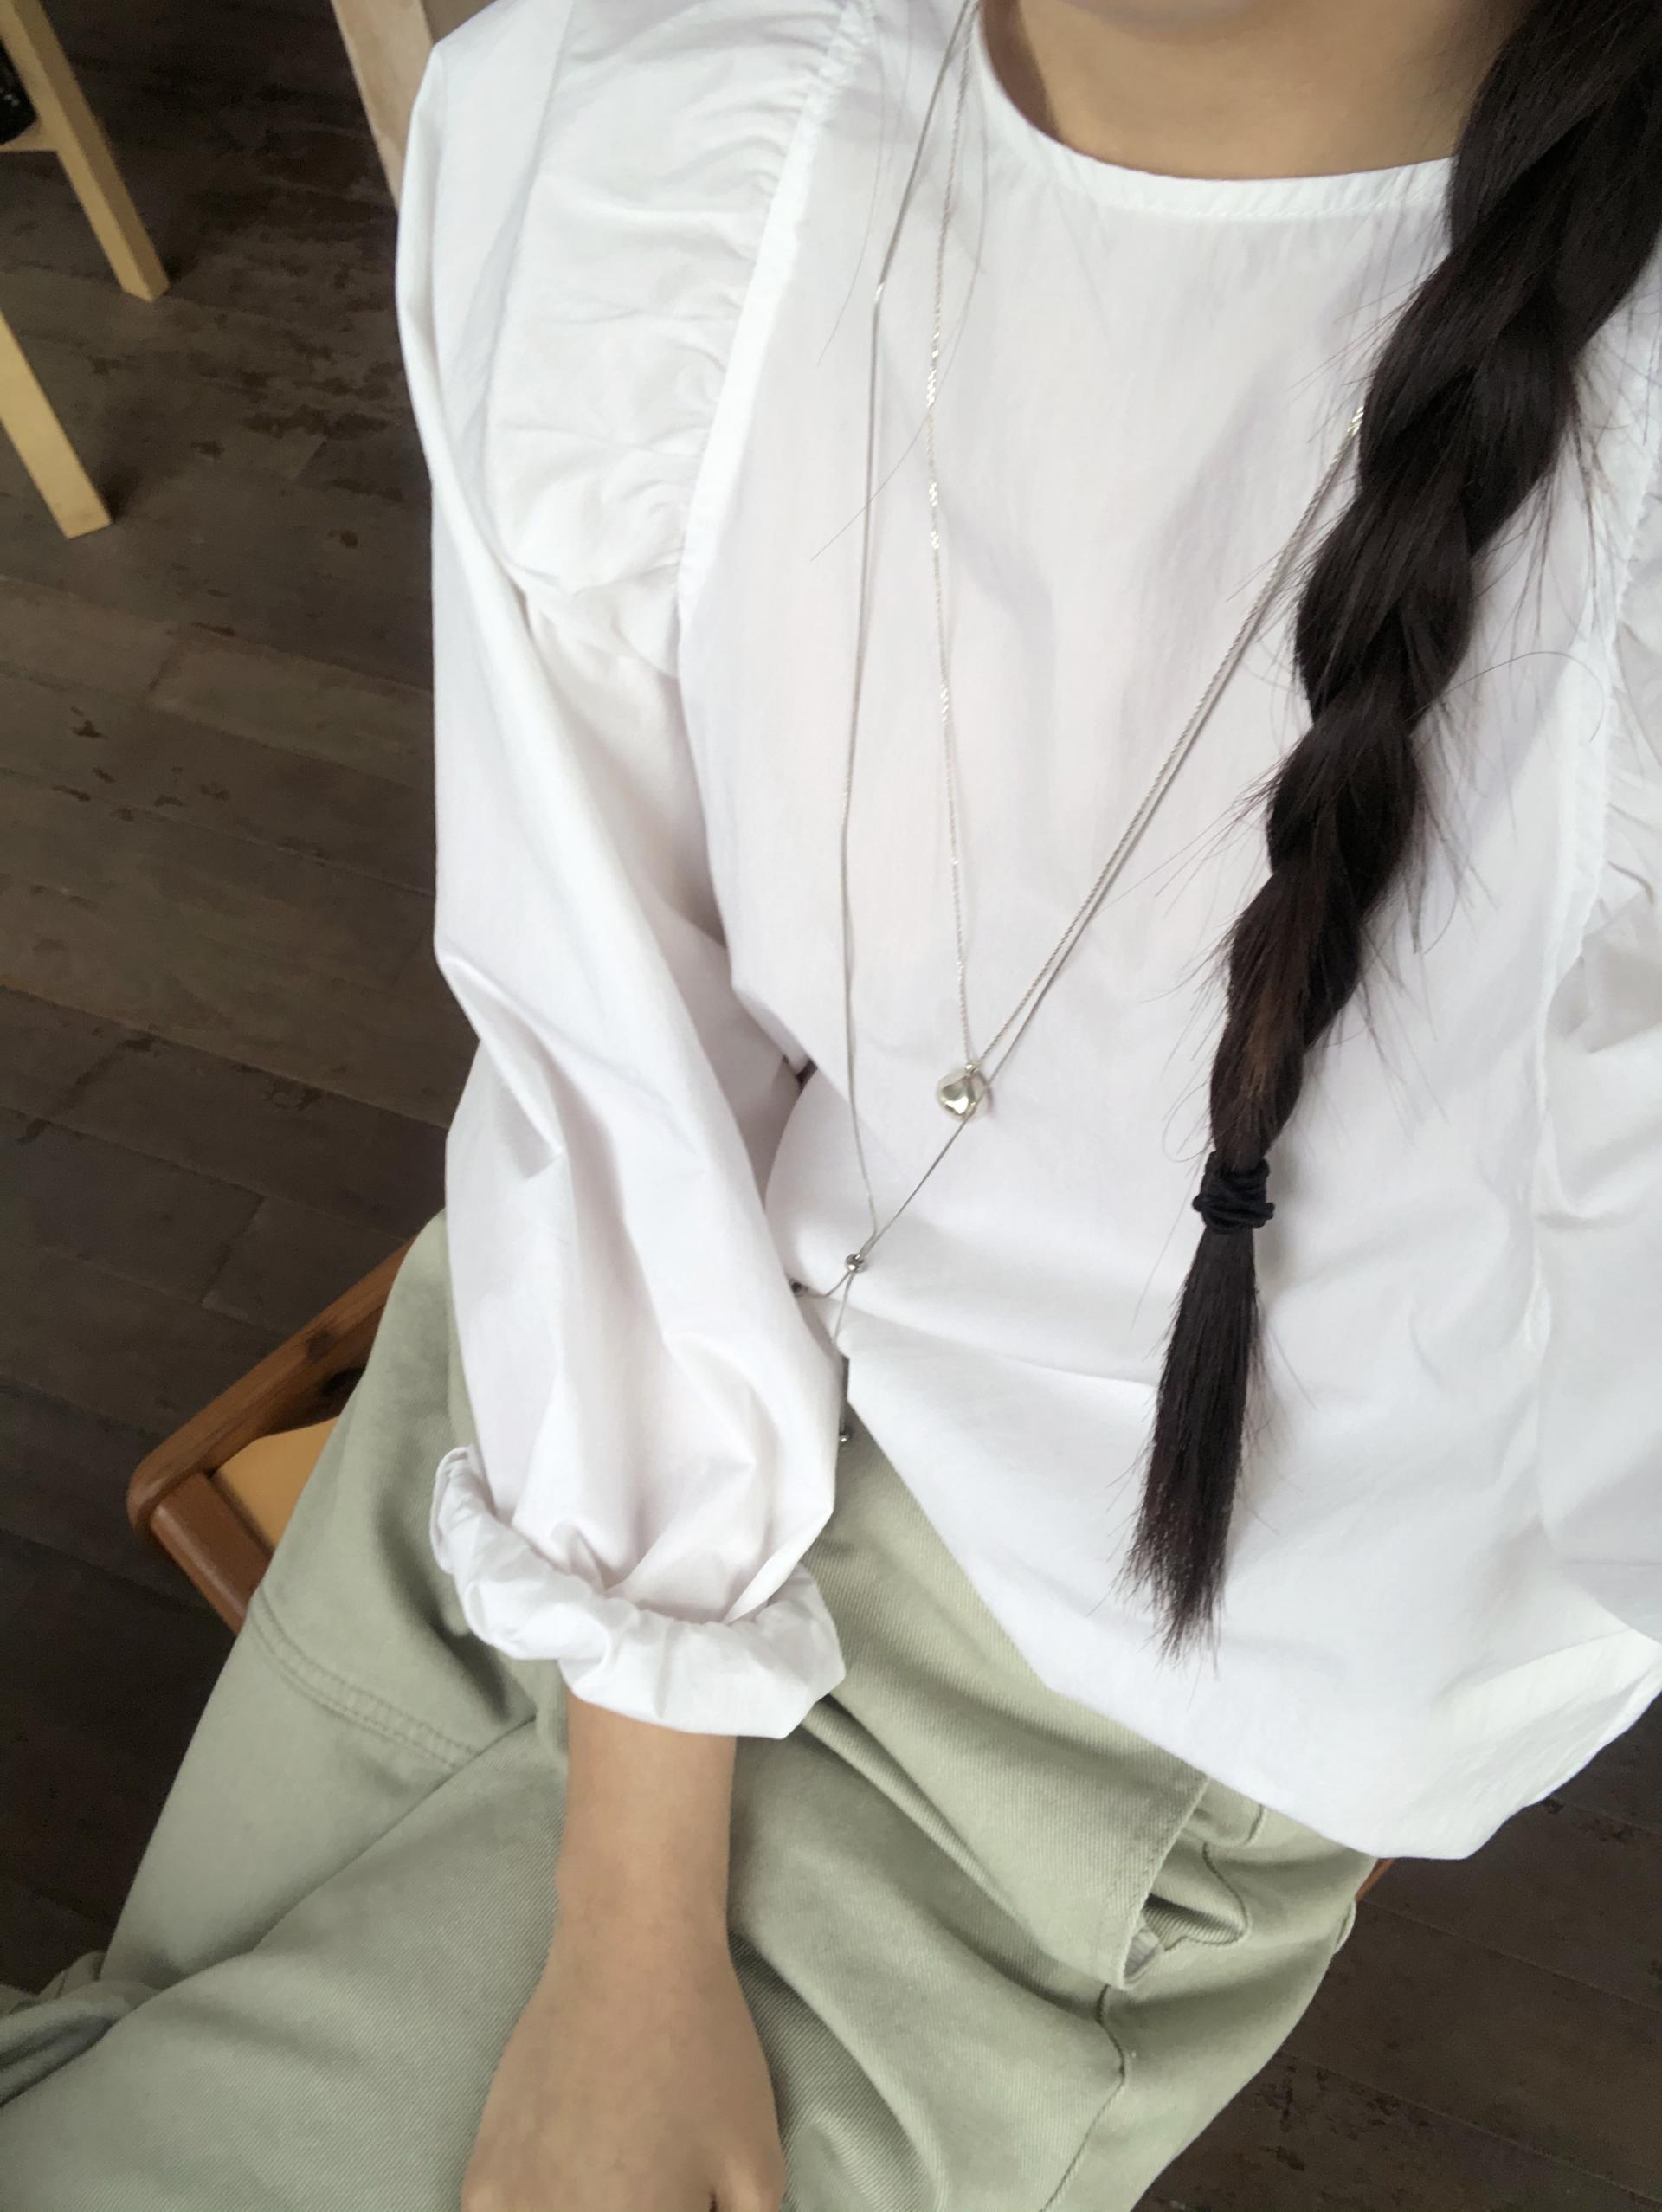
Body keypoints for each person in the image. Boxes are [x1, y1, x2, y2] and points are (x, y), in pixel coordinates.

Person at [3, 0, 1659, 2205]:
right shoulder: (644, 129)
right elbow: (610, 1032)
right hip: (564, 1402)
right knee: (112, 2078)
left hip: (1082, 1701)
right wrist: (630, 1902)